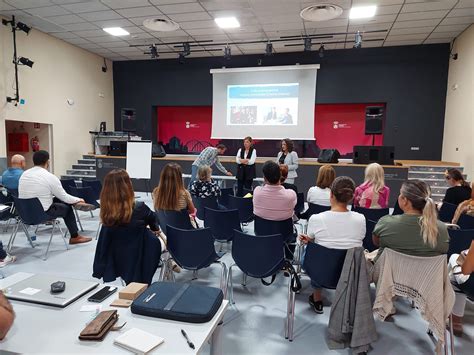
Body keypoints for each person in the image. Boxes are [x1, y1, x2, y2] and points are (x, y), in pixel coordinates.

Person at [300, 176, 366, 314]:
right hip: (349, 274)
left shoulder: (316, 218)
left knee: (315, 254)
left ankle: (317, 297)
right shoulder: (361, 219)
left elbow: (312, 241)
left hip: (321, 272)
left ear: (331, 194)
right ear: (351, 197)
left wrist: (309, 241)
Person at [18, 150, 94, 244]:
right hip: (43, 213)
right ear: (48, 161)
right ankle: (75, 236)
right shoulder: (49, 177)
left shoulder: (24, 175)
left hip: (24, 214)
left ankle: (75, 203)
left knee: (58, 200)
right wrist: (78, 199)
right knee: (67, 208)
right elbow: (64, 196)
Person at [372, 180, 449, 263]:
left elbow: (376, 242)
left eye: (400, 194)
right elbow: (444, 250)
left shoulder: (386, 223)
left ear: (405, 200)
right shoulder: (441, 229)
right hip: (426, 275)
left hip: (389, 274)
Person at [449, 240, 474, 336]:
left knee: (454, 257)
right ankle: (456, 322)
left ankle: (454, 319)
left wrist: (464, 255)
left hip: (471, 287)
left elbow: (466, 270)